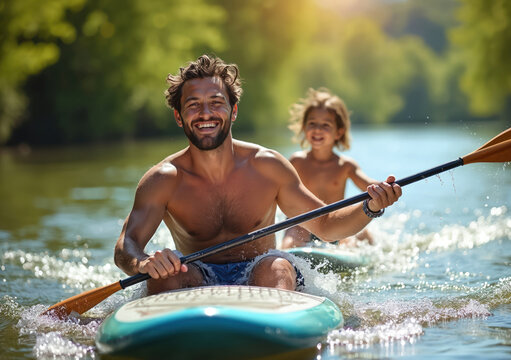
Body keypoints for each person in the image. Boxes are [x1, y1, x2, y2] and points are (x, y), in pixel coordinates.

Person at [114, 55, 402, 295]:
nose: (205, 113)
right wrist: (143, 263)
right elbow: (126, 246)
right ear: (179, 116)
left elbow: (326, 225)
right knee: (164, 277)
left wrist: (371, 207)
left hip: (261, 268)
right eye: (193, 105)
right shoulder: (162, 179)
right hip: (195, 274)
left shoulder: (268, 166)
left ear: (233, 110)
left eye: (216, 102)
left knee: (276, 266)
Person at [280, 88, 379, 249]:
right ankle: (286, 255)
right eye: (312, 123)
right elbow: (276, 187)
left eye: (325, 125)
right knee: (291, 239)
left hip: (335, 223)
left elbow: (367, 184)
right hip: (301, 222)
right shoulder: (296, 161)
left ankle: (361, 251)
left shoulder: (345, 165)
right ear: (305, 128)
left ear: (339, 132)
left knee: (360, 236)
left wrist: (382, 188)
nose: (317, 129)